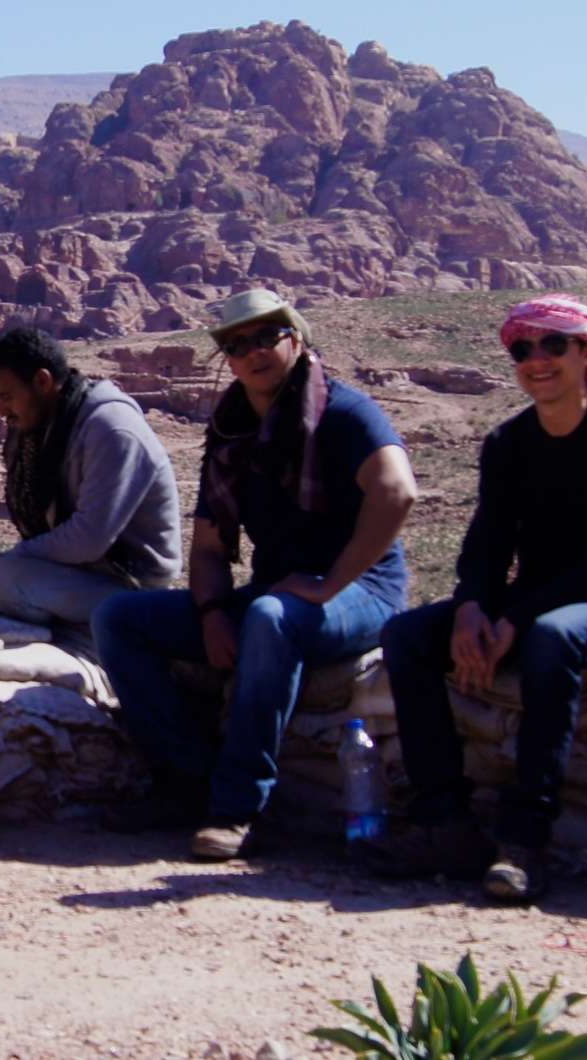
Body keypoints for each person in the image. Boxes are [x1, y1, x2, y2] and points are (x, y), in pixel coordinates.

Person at [359, 294, 587, 903]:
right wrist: (472, 607)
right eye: (523, 349)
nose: (536, 360)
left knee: (554, 639)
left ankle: (526, 839)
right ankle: (445, 822)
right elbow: (487, 543)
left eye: (553, 345)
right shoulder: (508, 442)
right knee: (407, 636)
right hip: (535, 595)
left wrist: (516, 621)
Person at [91, 289, 418, 860]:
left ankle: (237, 806)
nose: (253, 352)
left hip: (362, 591)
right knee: (119, 617)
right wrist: (213, 613)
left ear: (297, 339)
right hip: (278, 591)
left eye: (268, 336)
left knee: (271, 618)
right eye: (238, 345)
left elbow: (397, 491)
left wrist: (330, 584)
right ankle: (185, 780)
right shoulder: (232, 432)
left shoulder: (344, 413)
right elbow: (209, 546)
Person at [0, 326, 182, 628]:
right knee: (9, 577)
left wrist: (15, 557)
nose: (1, 410)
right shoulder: (46, 428)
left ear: (42, 381)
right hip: (89, 575)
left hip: (134, 586)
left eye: (7, 397)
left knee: (9, 578)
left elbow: (89, 539)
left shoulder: (110, 428)